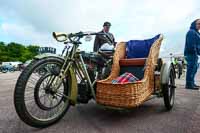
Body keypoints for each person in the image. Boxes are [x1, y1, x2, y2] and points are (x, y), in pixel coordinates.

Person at [184, 19, 200, 90]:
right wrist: (195, 52)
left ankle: (192, 83)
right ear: (194, 24)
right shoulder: (191, 32)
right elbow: (191, 45)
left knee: (194, 68)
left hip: (194, 54)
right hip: (191, 54)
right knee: (191, 69)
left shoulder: (196, 32)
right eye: (198, 24)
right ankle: (189, 84)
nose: (199, 25)